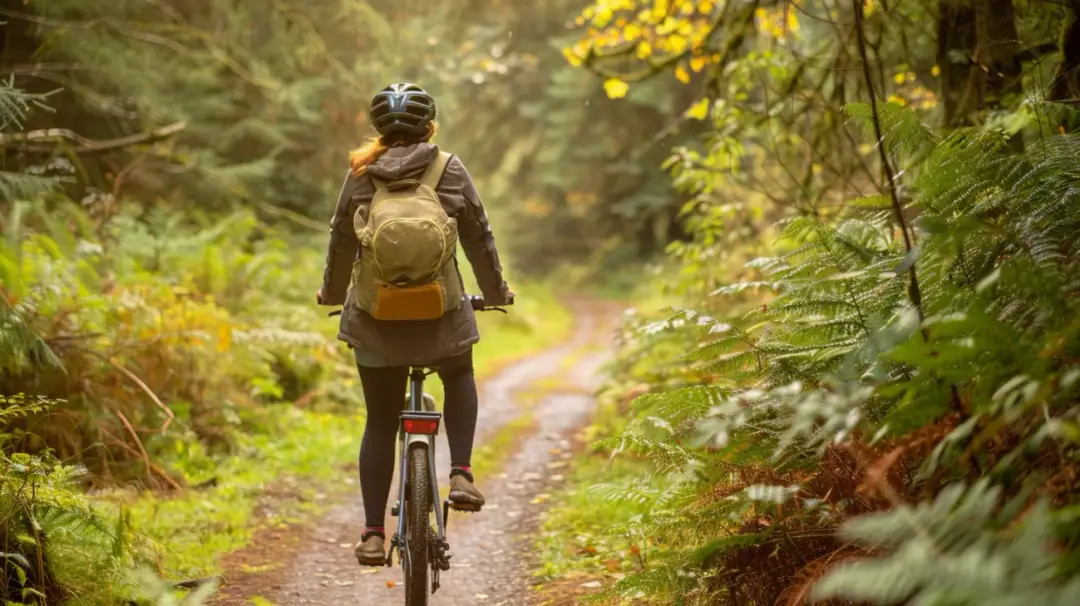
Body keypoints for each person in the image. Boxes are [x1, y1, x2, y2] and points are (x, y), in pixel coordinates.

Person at [316, 83, 513, 566]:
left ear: (379, 130)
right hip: (441, 315)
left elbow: (341, 240)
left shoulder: (361, 174)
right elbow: (478, 236)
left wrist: (335, 294)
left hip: (375, 320)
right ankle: (462, 472)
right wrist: (493, 293)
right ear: (430, 127)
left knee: (380, 422)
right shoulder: (450, 169)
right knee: (459, 374)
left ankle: (371, 535)